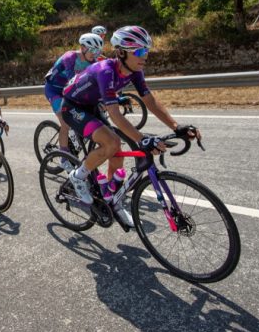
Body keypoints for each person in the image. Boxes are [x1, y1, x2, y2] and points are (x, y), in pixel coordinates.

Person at [61, 25, 201, 227]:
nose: (145, 56)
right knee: (111, 142)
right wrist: (142, 139)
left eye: (146, 51)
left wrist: (176, 127)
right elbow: (115, 114)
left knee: (117, 151)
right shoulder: (105, 70)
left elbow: (149, 100)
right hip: (72, 106)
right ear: (121, 53)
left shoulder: (135, 70)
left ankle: (112, 199)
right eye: (139, 52)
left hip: (91, 105)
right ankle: (78, 176)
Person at [44, 33, 104, 171]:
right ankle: (64, 158)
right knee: (65, 122)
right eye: (93, 50)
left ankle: (76, 141)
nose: (95, 54)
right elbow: (74, 81)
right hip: (54, 90)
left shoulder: (93, 62)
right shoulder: (70, 57)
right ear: (82, 48)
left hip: (69, 89)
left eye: (98, 51)